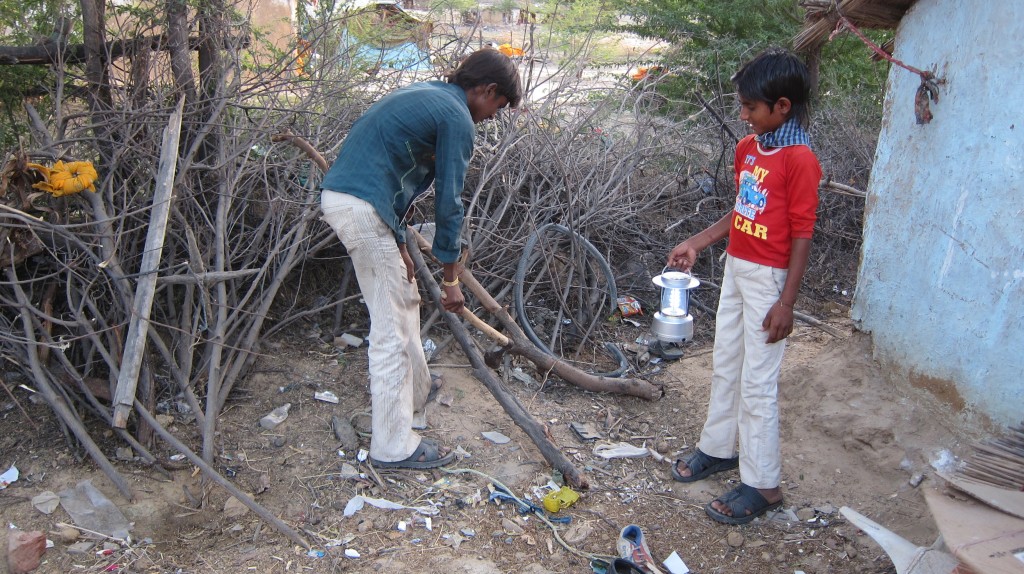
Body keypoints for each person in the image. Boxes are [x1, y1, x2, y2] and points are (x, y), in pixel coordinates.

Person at [320, 50, 522, 469]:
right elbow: (450, 202)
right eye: (497, 107)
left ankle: (413, 402)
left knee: (405, 298)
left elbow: (388, 173)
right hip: (361, 208)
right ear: (487, 91)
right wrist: (451, 279)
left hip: (358, 203)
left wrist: (398, 244)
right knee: (390, 331)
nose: (491, 117)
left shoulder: (431, 95)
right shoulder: (456, 117)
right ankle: (392, 448)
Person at [667, 48, 821, 524]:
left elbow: (802, 232)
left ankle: (764, 483)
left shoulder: (800, 160)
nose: (743, 115)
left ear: (782, 107)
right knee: (726, 363)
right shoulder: (748, 149)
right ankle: (718, 448)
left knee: (758, 383)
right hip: (738, 265)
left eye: (751, 108)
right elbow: (742, 211)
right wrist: (699, 241)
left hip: (771, 280)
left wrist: (786, 302)